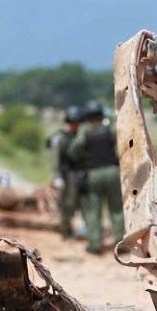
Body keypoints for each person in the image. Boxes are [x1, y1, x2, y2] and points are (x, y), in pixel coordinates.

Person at [68, 99, 124, 254]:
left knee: (93, 210)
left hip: (93, 174)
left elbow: (74, 151)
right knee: (117, 209)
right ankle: (122, 243)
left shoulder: (84, 131)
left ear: (87, 116)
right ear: (100, 114)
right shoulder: (110, 129)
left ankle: (95, 244)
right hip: (112, 172)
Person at [48, 106, 83, 239]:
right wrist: (57, 176)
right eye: (73, 122)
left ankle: (69, 228)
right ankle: (65, 230)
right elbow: (55, 158)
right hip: (65, 173)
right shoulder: (60, 137)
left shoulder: (76, 135)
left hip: (75, 173)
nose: (76, 125)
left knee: (73, 202)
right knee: (66, 203)